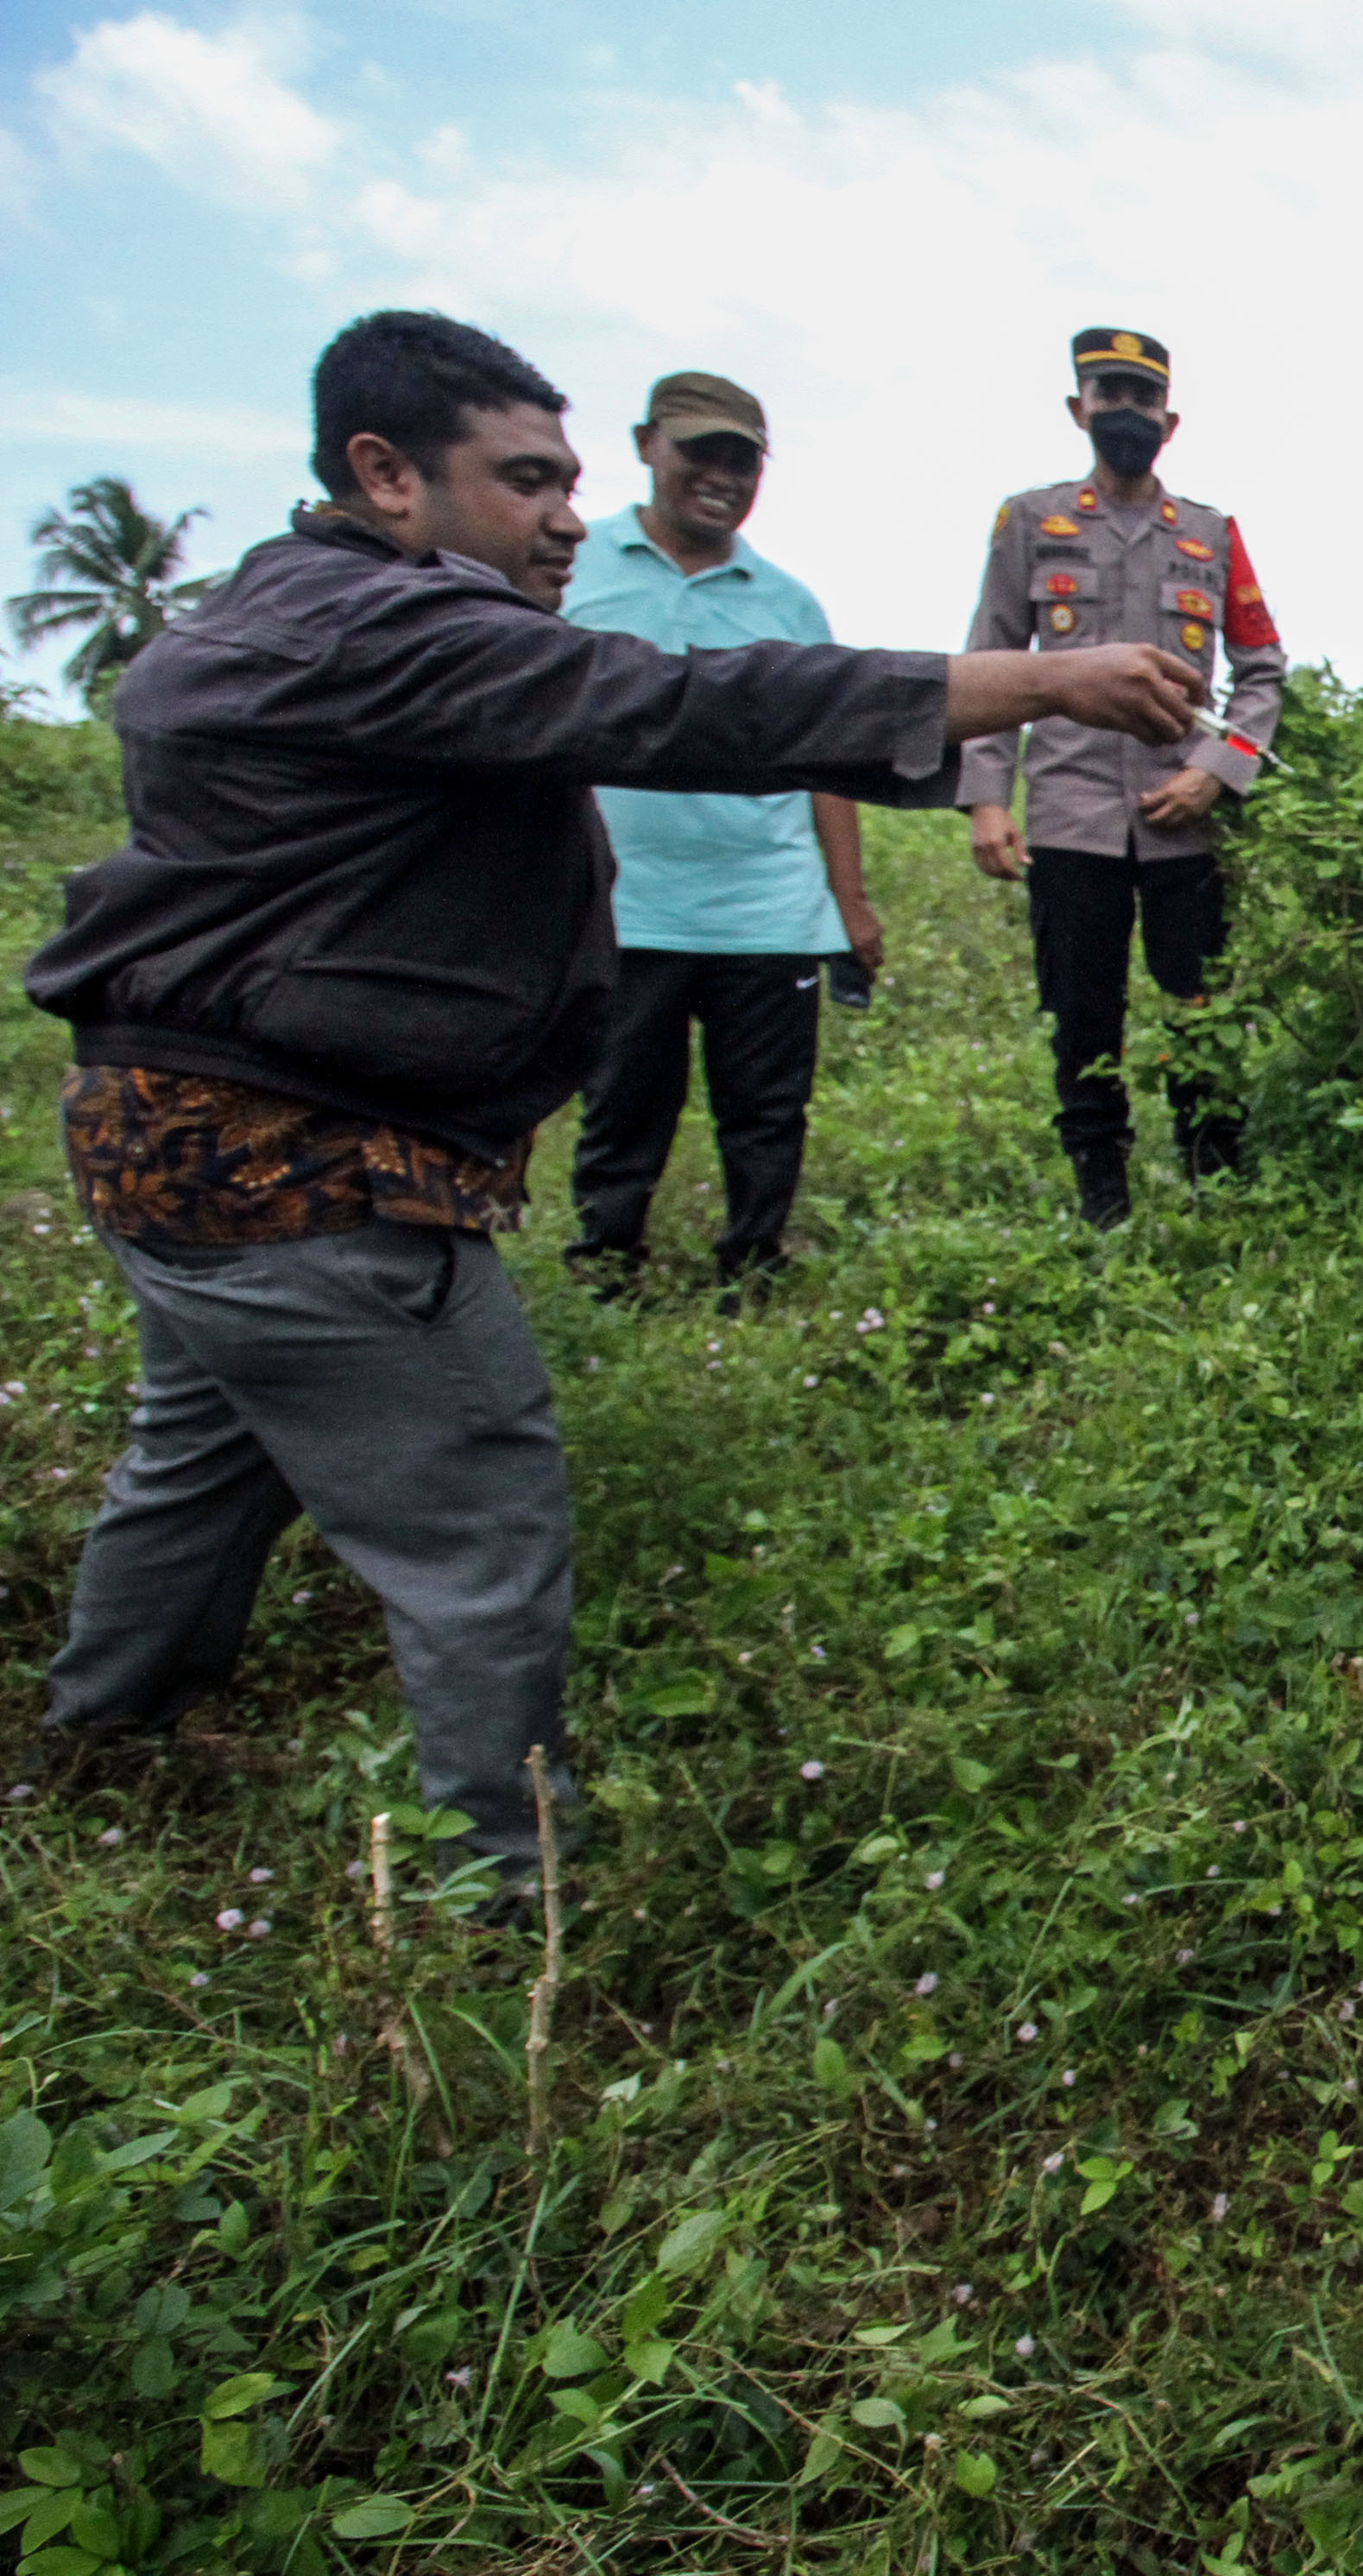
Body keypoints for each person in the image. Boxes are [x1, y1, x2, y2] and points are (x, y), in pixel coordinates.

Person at [19, 309, 1193, 1873]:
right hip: (304, 1166)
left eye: (568, 478)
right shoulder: (392, 629)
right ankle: (513, 1899)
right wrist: (1039, 684)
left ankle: (109, 1737)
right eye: (521, 480)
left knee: (201, 1452)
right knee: (481, 1525)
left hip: (158, 1141)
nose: (565, 514)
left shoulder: (270, 611)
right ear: (385, 474)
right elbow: (684, 710)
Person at [958, 326, 1285, 1228]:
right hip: (1070, 820)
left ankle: (1215, 1186)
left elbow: (1262, 668)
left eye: (1142, 400)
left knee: (1202, 1010)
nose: (1126, 414)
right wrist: (988, 798)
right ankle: (1102, 1200)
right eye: (1108, 396)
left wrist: (1219, 773)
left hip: (1185, 819)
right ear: (1079, 409)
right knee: (1083, 1017)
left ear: (1169, 421)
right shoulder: (1031, 522)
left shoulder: (1213, 535)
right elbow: (989, 660)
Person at [562, 370, 874, 1296]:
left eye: (742, 459)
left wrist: (849, 903)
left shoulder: (787, 603)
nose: (722, 475)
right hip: (625, 905)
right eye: (702, 452)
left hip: (767, 906)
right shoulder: (573, 572)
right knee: (622, 1106)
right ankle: (607, 1267)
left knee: (768, 1110)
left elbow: (829, 764)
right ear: (647, 443)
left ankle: (755, 1267)